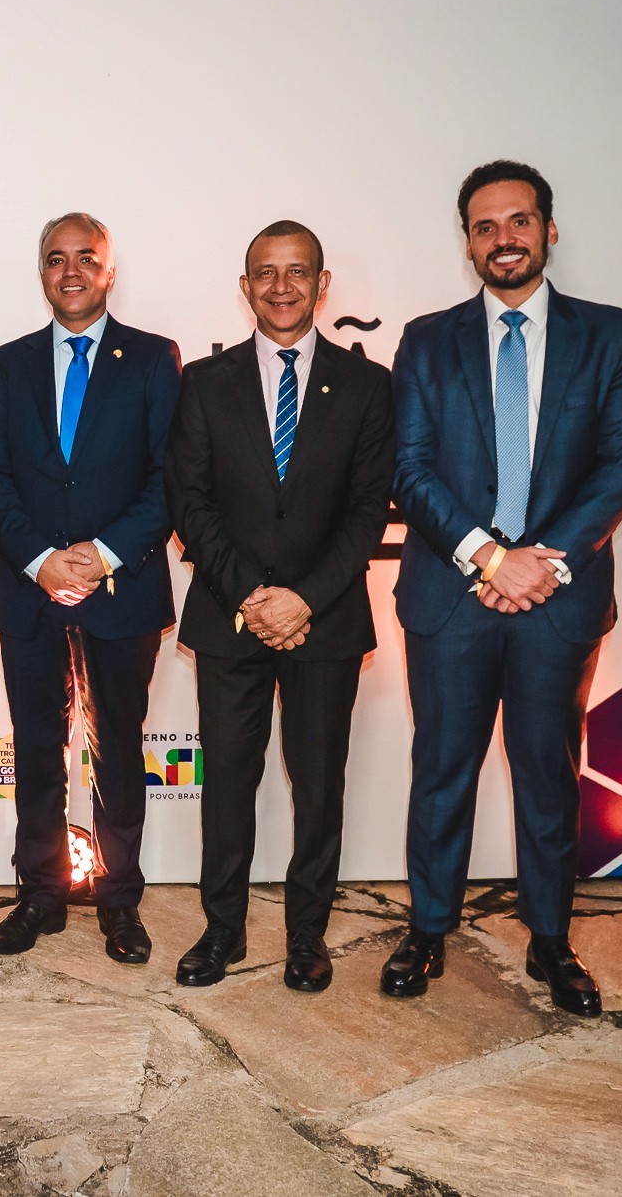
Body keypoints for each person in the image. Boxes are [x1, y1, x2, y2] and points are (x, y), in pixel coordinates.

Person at [384, 160, 622, 1017]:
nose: (504, 238)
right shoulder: (426, 341)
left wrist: (544, 560)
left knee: (547, 775)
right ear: (467, 243)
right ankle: (429, 928)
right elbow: (410, 467)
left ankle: (551, 939)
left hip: (559, 599)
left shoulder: (609, 335)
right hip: (450, 595)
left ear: (548, 230)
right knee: (441, 771)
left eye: (519, 221)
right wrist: (490, 559)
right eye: (485, 226)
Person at [164, 220, 393, 990]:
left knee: (318, 787)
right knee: (227, 785)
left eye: (297, 272)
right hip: (229, 619)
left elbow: (368, 511)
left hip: (326, 625)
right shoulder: (205, 381)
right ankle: (221, 930)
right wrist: (253, 597)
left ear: (323, 285)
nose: (281, 286)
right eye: (266, 272)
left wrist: (303, 600)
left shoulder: (367, 386)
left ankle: (306, 936)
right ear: (245, 286)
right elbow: (190, 502)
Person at [0, 212, 182, 962]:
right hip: (31, 590)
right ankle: (41, 894)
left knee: (118, 750)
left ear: (109, 270)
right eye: (56, 258)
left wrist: (100, 555)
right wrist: (40, 560)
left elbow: (169, 479)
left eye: (86, 257)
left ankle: (119, 901)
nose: (71, 270)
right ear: (41, 272)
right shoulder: (9, 364)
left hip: (123, 590)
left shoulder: (154, 358)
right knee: (36, 748)